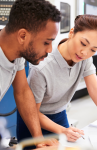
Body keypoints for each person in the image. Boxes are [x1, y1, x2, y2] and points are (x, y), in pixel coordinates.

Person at [17, 14, 97, 144]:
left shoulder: (84, 58)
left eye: (93, 50)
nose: (85, 53)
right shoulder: (42, 67)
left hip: (59, 114)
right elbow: (31, 111)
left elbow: (95, 90)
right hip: (34, 119)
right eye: (83, 43)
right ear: (72, 33)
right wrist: (62, 131)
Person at [0, 0, 61, 148]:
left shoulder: (16, 52)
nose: (50, 50)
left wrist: (38, 138)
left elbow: (22, 91)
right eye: (46, 42)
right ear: (22, 36)